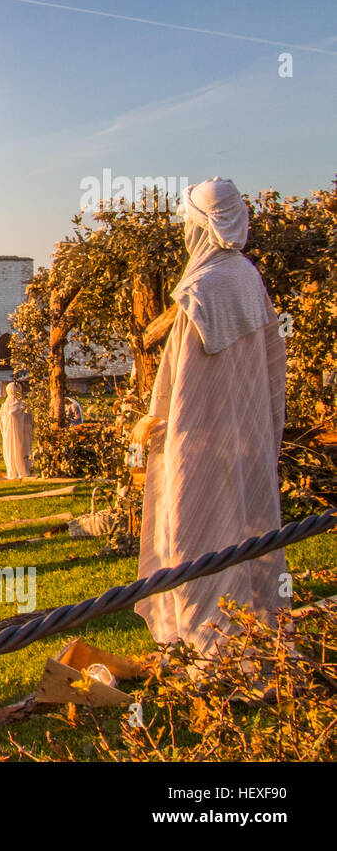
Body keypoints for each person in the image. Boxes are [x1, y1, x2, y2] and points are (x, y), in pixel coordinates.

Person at [134, 177, 288, 658]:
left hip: (197, 435)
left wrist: (151, 421)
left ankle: (213, 650)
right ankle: (254, 634)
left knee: (192, 532)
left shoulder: (200, 290)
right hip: (245, 431)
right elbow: (273, 364)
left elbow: (176, 378)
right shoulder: (248, 279)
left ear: (200, 225)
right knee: (243, 524)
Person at [0, 381, 35, 479]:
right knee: (11, 451)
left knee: (21, 451)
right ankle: (13, 470)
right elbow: (1, 422)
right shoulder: (6, 406)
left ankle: (23, 470)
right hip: (10, 435)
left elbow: (30, 420)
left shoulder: (22, 405)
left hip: (21, 434)